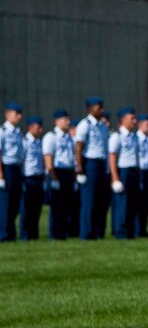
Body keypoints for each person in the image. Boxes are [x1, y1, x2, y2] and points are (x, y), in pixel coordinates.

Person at [76, 97, 111, 240]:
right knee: (89, 200)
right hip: (90, 164)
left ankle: (99, 231)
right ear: (90, 109)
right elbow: (78, 148)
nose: (102, 110)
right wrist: (80, 169)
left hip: (101, 164)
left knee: (101, 200)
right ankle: (87, 232)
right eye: (99, 107)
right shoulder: (85, 124)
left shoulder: (103, 125)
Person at [42, 110, 79, 239]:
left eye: (68, 120)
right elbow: (48, 159)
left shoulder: (69, 137)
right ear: (57, 121)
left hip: (68, 173)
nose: (68, 122)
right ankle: (55, 234)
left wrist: (74, 179)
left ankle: (64, 233)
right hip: (57, 173)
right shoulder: (51, 136)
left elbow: (73, 158)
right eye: (65, 120)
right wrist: (53, 179)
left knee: (66, 206)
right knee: (57, 207)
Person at [108, 108, 142, 239]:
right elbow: (112, 158)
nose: (135, 121)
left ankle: (131, 230)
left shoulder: (133, 137)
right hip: (123, 171)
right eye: (131, 119)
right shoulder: (117, 136)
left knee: (133, 203)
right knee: (122, 203)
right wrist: (115, 178)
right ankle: (120, 231)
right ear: (123, 120)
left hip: (133, 171)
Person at [0, 101, 25, 243]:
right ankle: (3, 234)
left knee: (14, 204)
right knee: (5, 204)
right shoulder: (2, 131)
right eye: (17, 114)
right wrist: (1, 175)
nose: (19, 117)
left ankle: (11, 233)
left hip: (16, 169)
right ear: (8, 114)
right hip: (6, 168)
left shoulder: (17, 132)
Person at [19, 116, 46, 240]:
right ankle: (25, 234)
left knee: (36, 208)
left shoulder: (39, 143)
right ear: (30, 127)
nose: (40, 130)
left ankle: (34, 234)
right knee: (26, 208)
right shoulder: (24, 142)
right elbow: (21, 161)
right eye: (38, 127)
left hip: (38, 178)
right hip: (28, 178)